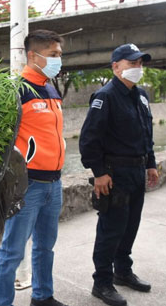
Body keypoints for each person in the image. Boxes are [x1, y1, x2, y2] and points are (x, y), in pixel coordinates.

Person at [79, 43, 159, 306]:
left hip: (137, 171)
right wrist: (99, 173)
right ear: (116, 66)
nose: (138, 68)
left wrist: (150, 163)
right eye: (132, 63)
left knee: (130, 227)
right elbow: (90, 139)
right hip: (115, 173)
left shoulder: (141, 95)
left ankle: (122, 272)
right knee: (111, 229)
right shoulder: (106, 96)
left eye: (140, 63)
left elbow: (146, 133)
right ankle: (101, 282)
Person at [0, 29, 67, 306]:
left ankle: (43, 296)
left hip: (54, 182)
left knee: (45, 246)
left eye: (60, 54)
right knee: (12, 251)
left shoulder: (50, 87)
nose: (59, 60)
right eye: (53, 55)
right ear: (33, 56)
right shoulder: (16, 89)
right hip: (28, 186)